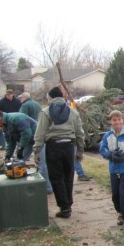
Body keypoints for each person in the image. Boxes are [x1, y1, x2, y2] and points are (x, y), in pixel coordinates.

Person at [33, 86, 85, 219]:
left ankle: (64, 207)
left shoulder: (46, 112)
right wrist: (80, 149)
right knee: (68, 176)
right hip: (69, 146)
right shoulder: (73, 112)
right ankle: (69, 204)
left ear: (50, 98)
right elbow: (80, 132)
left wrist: (37, 151)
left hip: (53, 147)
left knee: (56, 178)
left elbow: (40, 133)